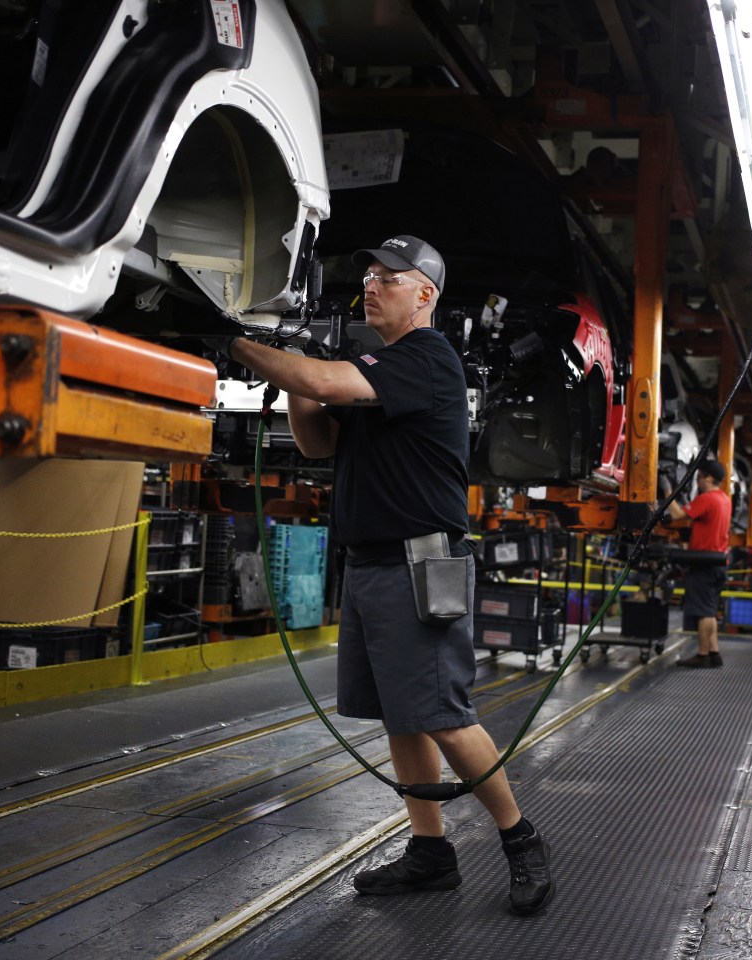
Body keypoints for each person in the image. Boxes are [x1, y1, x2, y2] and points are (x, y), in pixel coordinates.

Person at [215, 235, 554, 916]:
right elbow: (318, 438)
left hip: (416, 563)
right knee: (402, 717)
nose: (372, 286)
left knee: (444, 717)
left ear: (424, 295)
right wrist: (298, 374)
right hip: (370, 563)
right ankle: (430, 852)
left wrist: (240, 346)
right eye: (368, 276)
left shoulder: (425, 357)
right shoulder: (377, 369)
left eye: (389, 278)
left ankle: (521, 839)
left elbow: (321, 382)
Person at [668, 459, 732, 668]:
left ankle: (702, 655)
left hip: (704, 562)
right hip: (718, 562)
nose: (697, 481)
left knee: (703, 612)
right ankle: (714, 653)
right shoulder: (724, 499)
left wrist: (668, 491)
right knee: (710, 609)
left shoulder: (708, 499)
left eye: (699, 477)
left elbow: (677, 515)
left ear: (709, 478)